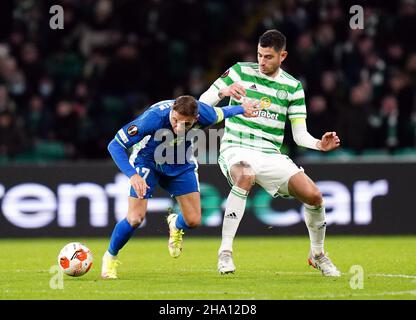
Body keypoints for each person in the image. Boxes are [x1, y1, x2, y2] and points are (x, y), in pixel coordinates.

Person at [199, 29, 341, 276]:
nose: (261, 62)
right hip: (236, 145)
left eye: (268, 57)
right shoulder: (239, 72)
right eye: (259, 55)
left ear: (282, 55)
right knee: (245, 176)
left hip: (270, 153)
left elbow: (299, 135)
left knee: (315, 196)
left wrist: (319, 144)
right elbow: (203, 103)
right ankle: (225, 252)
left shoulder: (293, 87)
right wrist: (223, 93)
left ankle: (317, 254)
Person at [101, 95, 258, 279]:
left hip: (180, 164)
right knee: (135, 218)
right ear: (172, 112)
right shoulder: (153, 118)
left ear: (196, 119)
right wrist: (133, 175)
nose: (178, 127)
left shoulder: (205, 113)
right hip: (147, 163)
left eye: (186, 124)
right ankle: (110, 257)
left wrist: (242, 108)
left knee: (193, 220)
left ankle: (175, 223)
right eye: (175, 120)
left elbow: (224, 112)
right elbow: (115, 146)